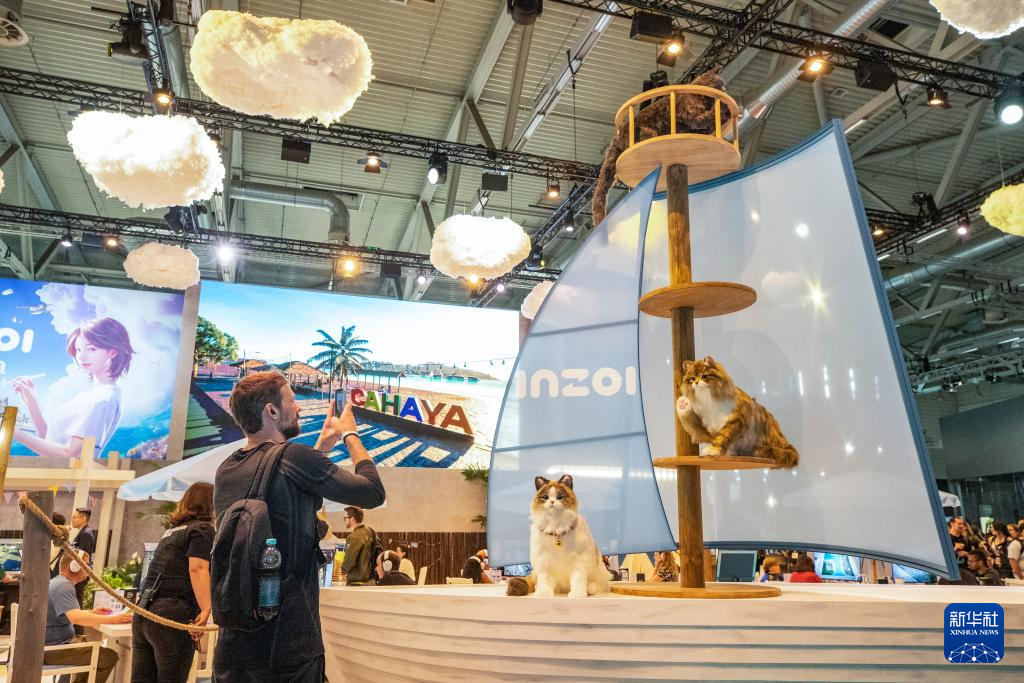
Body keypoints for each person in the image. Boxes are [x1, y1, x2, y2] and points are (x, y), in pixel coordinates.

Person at [213, 371, 384, 682]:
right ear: (271, 411)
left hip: (234, 645)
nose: (299, 407)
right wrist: (350, 435)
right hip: (287, 646)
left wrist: (323, 444)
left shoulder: (227, 469)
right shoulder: (295, 457)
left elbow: (284, 490)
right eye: (292, 401)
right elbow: (372, 492)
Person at [13, 317, 134, 457]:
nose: (81, 357)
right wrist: (31, 402)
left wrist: (10, 430)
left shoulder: (104, 399)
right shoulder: (94, 395)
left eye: (91, 349)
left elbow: (69, 455)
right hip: (53, 470)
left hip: (64, 471)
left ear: (113, 352)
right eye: (78, 349)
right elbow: (48, 440)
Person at [131, 482, 215, 683]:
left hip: (144, 612)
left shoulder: (172, 531)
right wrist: (206, 608)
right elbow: (197, 568)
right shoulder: (202, 529)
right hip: (172, 612)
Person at [45, 553, 131, 683]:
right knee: (108, 657)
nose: (89, 568)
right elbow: (76, 618)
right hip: (53, 650)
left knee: (89, 650)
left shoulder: (58, 582)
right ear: (75, 566)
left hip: (53, 647)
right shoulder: (63, 586)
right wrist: (114, 619)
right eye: (87, 564)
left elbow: (69, 613)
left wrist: (91, 612)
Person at [340, 507, 377, 585]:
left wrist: (342, 571)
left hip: (357, 581)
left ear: (352, 519)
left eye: (345, 518)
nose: (345, 521)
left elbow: (349, 560)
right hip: (371, 579)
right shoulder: (370, 531)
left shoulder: (354, 536)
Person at [70, 508, 97, 613]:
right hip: (77, 574)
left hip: (79, 574)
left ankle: (78, 624)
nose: (72, 520)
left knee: (77, 602)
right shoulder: (83, 532)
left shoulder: (86, 533)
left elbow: (82, 557)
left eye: (74, 517)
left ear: (83, 519)